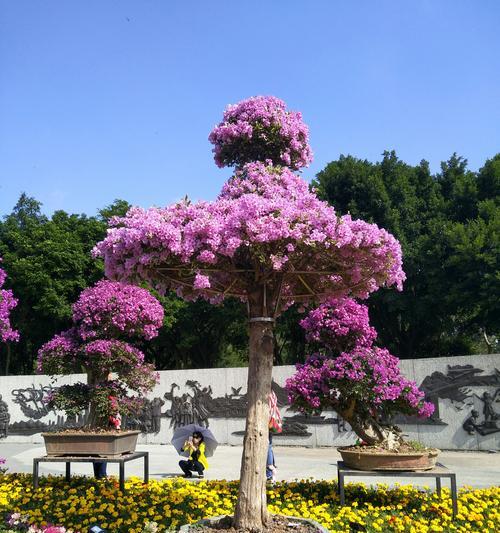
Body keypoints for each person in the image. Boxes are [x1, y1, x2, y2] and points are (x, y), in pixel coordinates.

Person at [267, 390, 282, 483]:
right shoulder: (273, 393)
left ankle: (270, 467)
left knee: (267, 446)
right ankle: (271, 468)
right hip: (272, 422)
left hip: (267, 422)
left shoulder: (265, 394)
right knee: (269, 445)